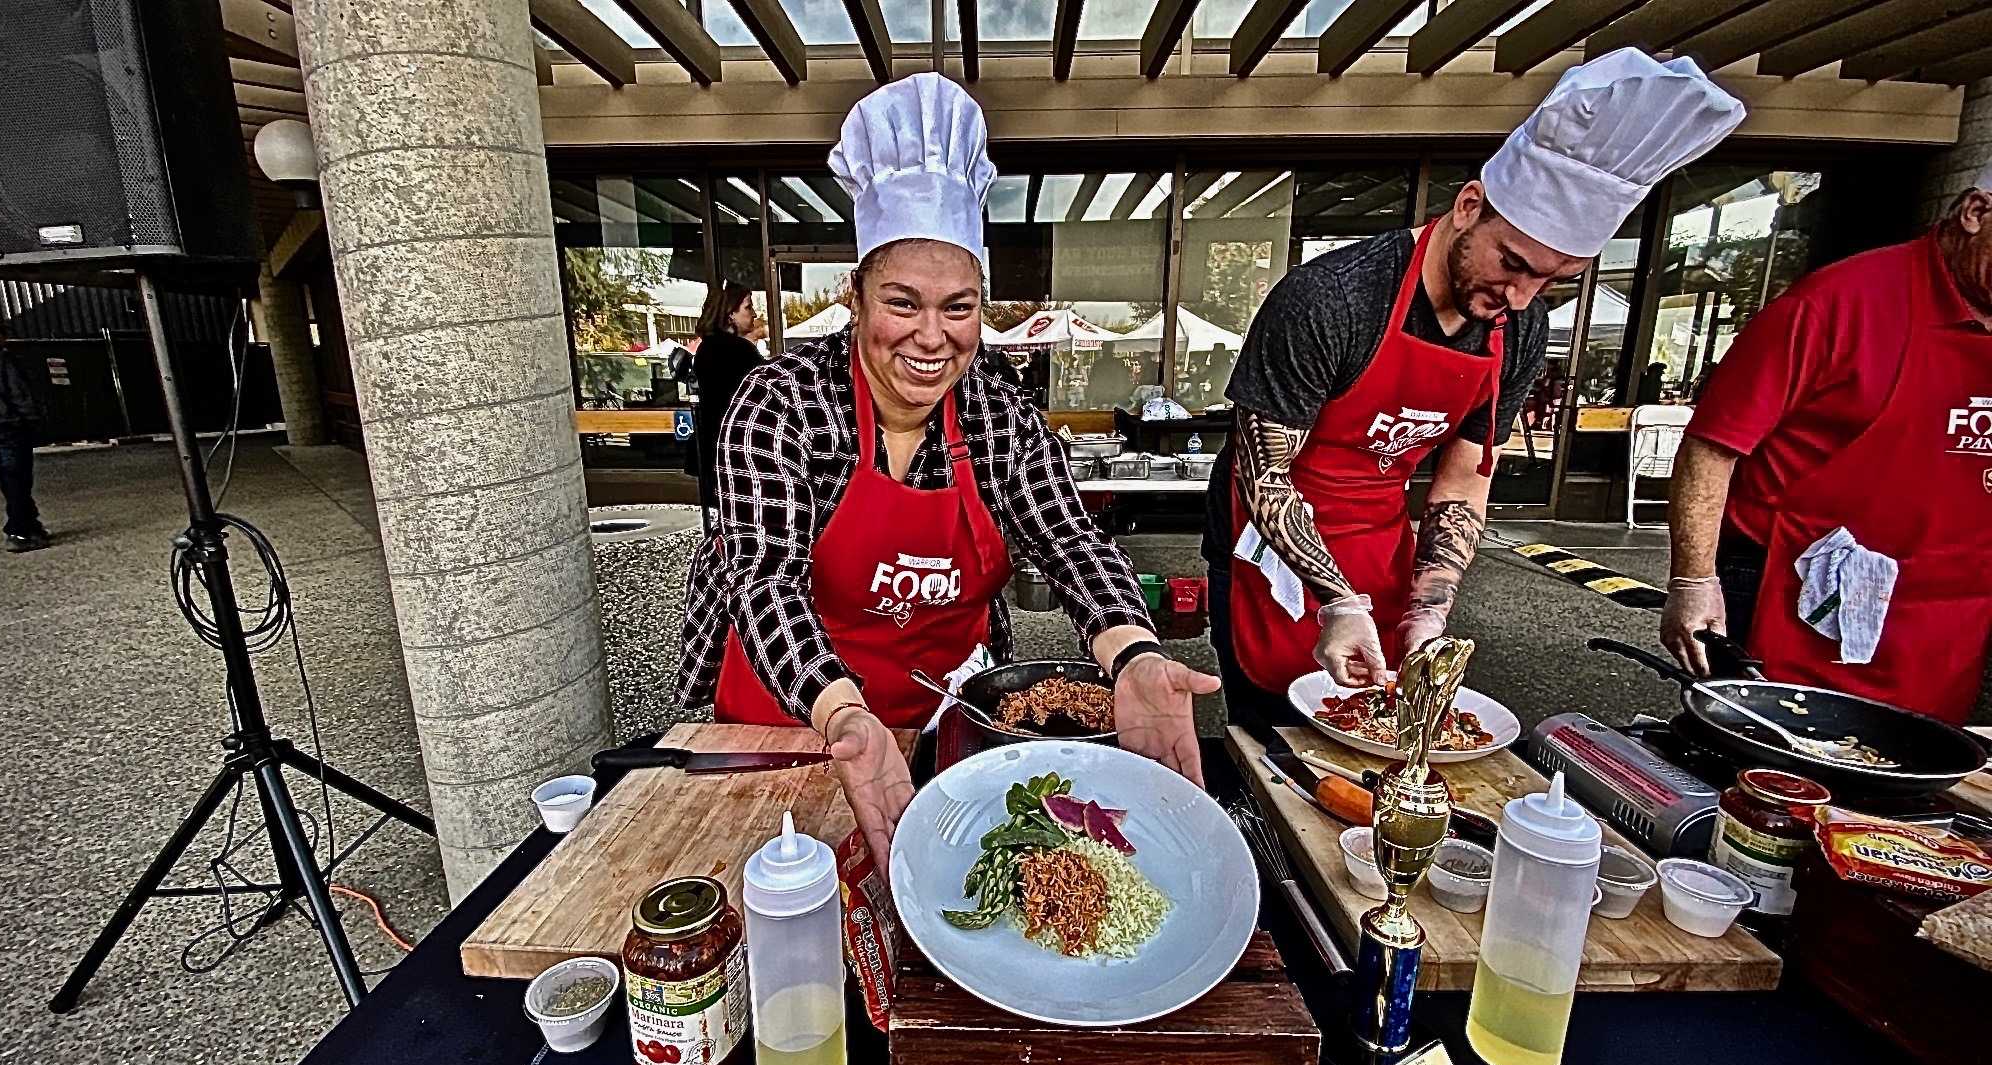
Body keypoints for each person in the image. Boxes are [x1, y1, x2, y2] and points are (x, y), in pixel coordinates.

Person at [677, 75, 1219, 873]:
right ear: (856, 296)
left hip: (940, 726)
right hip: (790, 718)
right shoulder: (781, 404)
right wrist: (846, 716)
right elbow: (764, 581)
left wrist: (1132, 654)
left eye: (959, 307)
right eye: (903, 302)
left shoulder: (998, 413)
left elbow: (1067, 535)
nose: (933, 338)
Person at [1205, 49, 1745, 724]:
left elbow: (1464, 477)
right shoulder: (1333, 300)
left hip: (1381, 538)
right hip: (1271, 552)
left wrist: (1430, 609)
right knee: (1273, 733)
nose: (1520, 296)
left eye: (1551, 279)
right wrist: (1338, 603)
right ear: (1468, 207)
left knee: (1386, 725)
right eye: (1513, 263)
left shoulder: (1518, 326)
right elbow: (1267, 477)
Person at [1660, 160, 1992, 723]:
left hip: (1946, 617)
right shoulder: (1838, 303)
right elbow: (1712, 447)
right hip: (1787, 590)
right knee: (1760, 772)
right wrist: (1694, 580)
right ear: (1976, 213)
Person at [686, 283, 763, 529]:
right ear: (730, 313)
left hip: (714, 451)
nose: (754, 314)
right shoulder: (737, 351)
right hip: (738, 454)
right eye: (748, 307)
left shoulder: (707, 348)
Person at [0, 318, 49, 553]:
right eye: (0, 335)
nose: (4, 340)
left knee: (8, 479)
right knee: (18, 480)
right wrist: (32, 419)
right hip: (9, 426)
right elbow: (18, 392)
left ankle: (31, 524)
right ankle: (19, 531)